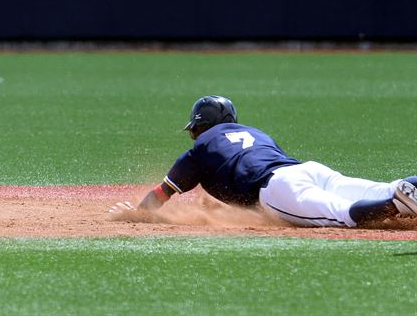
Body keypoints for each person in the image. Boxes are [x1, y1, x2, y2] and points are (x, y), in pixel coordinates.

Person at [111, 95, 417, 227]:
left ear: (199, 127)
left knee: (341, 215)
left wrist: (137, 213)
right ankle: (403, 191)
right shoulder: (255, 132)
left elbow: (161, 195)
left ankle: (400, 203)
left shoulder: (200, 149)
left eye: (194, 131)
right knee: (380, 188)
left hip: (277, 188)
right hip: (308, 169)